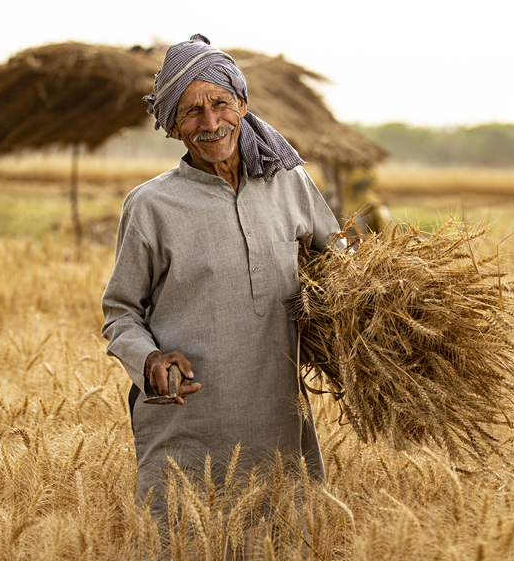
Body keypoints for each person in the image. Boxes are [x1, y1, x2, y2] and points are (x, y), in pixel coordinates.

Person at [101, 34, 341, 546]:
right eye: (190, 112)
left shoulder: (288, 183)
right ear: (171, 126)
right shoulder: (151, 207)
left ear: (242, 105)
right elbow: (120, 313)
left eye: (219, 104)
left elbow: (341, 270)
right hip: (187, 431)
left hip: (275, 424)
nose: (210, 124)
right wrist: (149, 361)